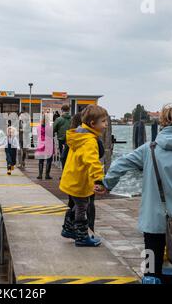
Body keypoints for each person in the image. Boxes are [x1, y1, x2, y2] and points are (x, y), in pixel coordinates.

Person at [96, 105, 172, 284]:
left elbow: (120, 164)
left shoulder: (148, 149)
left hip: (152, 222)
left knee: (151, 274)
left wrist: (107, 183)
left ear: (162, 123)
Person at [59, 105, 108, 247]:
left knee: (78, 205)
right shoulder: (89, 141)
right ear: (93, 124)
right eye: (104, 121)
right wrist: (99, 180)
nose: (106, 125)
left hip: (72, 178)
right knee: (82, 207)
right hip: (79, 181)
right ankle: (81, 236)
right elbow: (93, 162)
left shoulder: (80, 135)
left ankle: (68, 228)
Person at [35, 114, 54, 180]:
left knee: (41, 160)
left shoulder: (38, 127)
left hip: (41, 143)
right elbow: (52, 135)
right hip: (48, 144)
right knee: (49, 160)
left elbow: (38, 134)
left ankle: (40, 175)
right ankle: (47, 175)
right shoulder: (49, 127)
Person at [53, 105, 71, 169]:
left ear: (62, 110)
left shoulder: (59, 119)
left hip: (61, 140)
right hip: (70, 140)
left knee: (62, 155)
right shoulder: (72, 119)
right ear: (69, 110)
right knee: (69, 156)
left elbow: (53, 129)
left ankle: (63, 171)